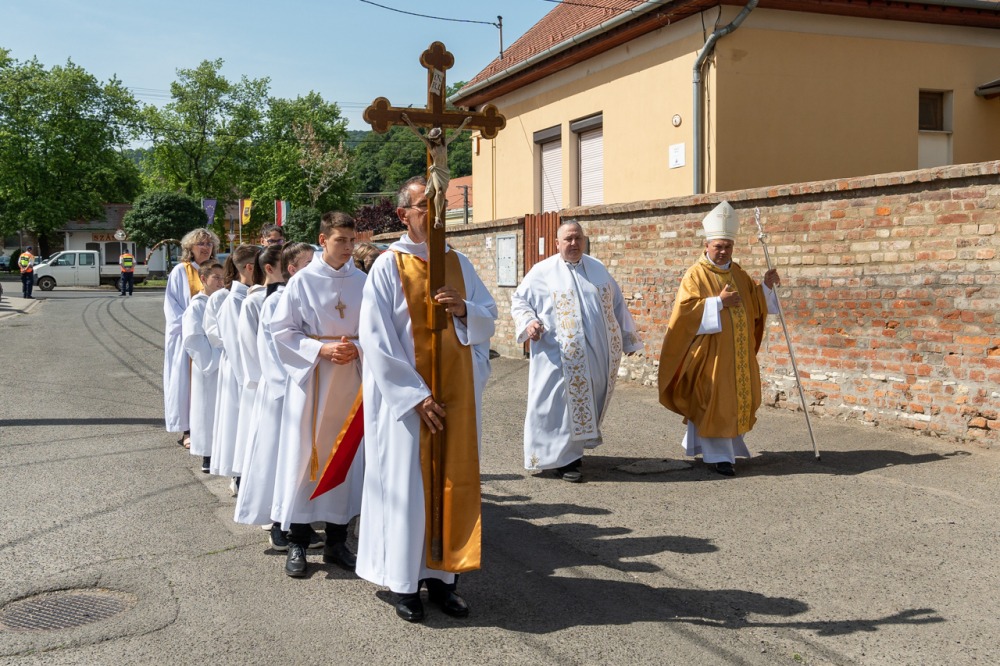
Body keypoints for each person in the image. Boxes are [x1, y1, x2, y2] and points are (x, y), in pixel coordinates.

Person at [357, 176, 497, 623]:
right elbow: (375, 340)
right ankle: (404, 584)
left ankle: (443, 579)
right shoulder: (388, 266)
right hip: (408, 406)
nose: (435, 214)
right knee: (408, 489)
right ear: (403, 215)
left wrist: (464, 309)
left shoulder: (459, 262)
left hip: (455, 397)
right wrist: (414, 395)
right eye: (425, 206)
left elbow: (489, 316)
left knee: (450, 482)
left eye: (440, 206)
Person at [270, 212, 367, 579]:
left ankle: (337, 541)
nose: (348, 247)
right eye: (341, 240)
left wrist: (358, 348)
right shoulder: (302, 281)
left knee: (346, 457)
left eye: (352, 240)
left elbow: (380, 332)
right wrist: (320, 349)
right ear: (323, 240)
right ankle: (297, 540)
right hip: (313, 381)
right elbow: (282, 330)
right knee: (304, 458)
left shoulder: (364, 281)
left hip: (353, 379)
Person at [510, 221, 643, 483]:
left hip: (595, 356)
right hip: (557, 355)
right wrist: (529, 322)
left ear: (584, 240)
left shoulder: (598, 268)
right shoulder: (542, 272)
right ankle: (561, 460)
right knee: (556, 406)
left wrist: (629, 340)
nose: (574, 243)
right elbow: (519, 301)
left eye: (578, 238)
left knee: (584, 402)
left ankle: (571, 453)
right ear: (557, 243)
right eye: (568, 239)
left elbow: (617, 304)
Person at [657, 201, 780, 477]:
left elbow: (755, 303)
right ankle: (719, 457)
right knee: (713, 401)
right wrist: (718, 303)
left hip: (738, 355)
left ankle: (728, 451)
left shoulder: (738, 273)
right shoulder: (695, 274)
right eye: (719, 246)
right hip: (710, 356)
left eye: (728, 246)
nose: (723, 251)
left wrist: (766, 286)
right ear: (707, 245)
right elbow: (684, 314)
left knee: (735, 400)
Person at [235, 243, 315, 551]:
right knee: (275, 458)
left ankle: (300, 517)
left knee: (299, 459)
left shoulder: (311, 297)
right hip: (281, 391)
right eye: (307, 263)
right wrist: (287, 386)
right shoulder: (273, 301)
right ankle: (275, 521)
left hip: (307, 387)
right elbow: (267, 351)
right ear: (290, 269)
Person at [210, 244, 263, 490]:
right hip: (242, 374)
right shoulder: (233, 301)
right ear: (251, 268)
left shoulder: (251, 296)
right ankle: (241, 478)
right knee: (241, 426)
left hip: (250, 372)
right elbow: (235, 346)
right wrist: (250, 382)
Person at [163, 229, 220, 446]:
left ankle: (210, 428)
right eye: (201, 244)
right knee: (187, 384)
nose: (206, 247)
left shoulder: (216, 270)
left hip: (213, 336)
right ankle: (188, 430)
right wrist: (192, 326)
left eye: (209, 243)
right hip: (187, 336)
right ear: (190, 248)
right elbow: (173, 306)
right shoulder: (181, 271)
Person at [182, 261, 225, 470]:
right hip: (208, 365)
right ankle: (207, 454)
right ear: (203, 279)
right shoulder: (197, 306)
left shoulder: (224, 301)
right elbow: (193, 338)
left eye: (223, 278)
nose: (220, 282)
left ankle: (222, 452)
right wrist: (214, 359)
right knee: (206, 409)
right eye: (216, 277)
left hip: (225, 362)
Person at [401, 113, 471, 228]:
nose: (436, 140)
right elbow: (418, 133)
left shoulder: (444, 144)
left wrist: (465, 123)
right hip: (436, 171)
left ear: (440, 136)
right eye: (434, 139)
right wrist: (408, 120)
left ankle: (440, 215)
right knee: (438, 191)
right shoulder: (431, 146)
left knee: (442, 194)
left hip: (445, 171)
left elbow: (456, 133)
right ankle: (438, 218)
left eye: (437, 138)